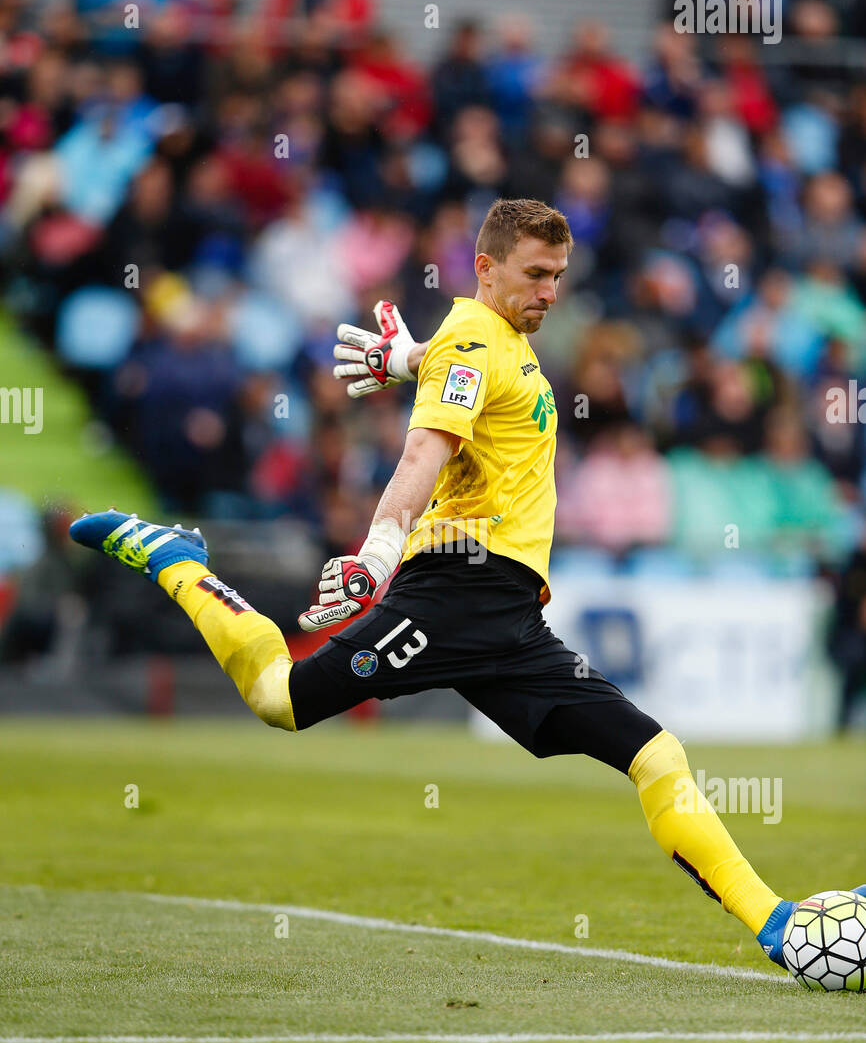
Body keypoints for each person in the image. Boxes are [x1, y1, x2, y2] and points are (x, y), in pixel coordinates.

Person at [68, 197, 863, 974]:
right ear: (486, 268)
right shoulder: (479, 341)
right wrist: (378, 554)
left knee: (656, 755)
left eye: (559, 275)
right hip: (453, 593)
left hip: (512, 620)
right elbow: (422, 454)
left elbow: (463, 364)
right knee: (281, 699)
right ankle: (173, 557)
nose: (551, 292)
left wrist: (407, 357)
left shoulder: (491, 340)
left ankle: (778, 926)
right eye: (537, 274)